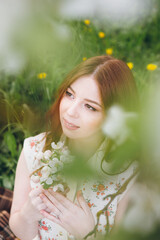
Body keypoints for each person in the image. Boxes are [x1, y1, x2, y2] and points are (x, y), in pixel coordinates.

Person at [9, 55, 139, 240]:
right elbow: (19, 228)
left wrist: (87, 233)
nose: (70, 112)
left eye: (90, 107)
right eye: (70, 94)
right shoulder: (35, 149)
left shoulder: (128, 174)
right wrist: (27, 214)